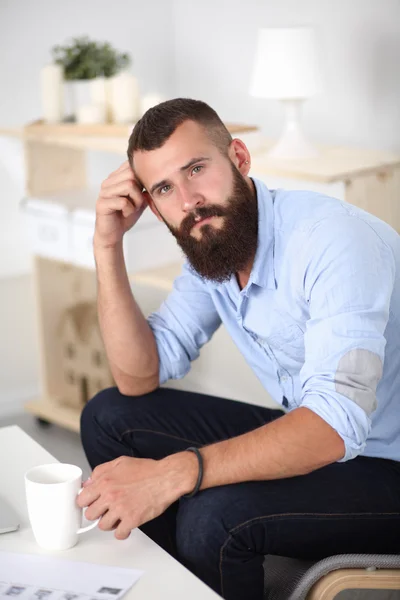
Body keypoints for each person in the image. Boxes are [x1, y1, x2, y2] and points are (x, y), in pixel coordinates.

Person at [78, 98, 400, 600]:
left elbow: (336, 425)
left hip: (385, 463)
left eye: (196, 169)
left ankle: (209, 555)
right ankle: (183, 586)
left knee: (214, 517)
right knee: (108, 415)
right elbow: (139, 376)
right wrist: (106, 246)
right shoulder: (213, 250)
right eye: (164, 187)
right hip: (331, 446)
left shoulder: (332, 240)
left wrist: (176, 474)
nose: (188, 200)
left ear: (240, 158)